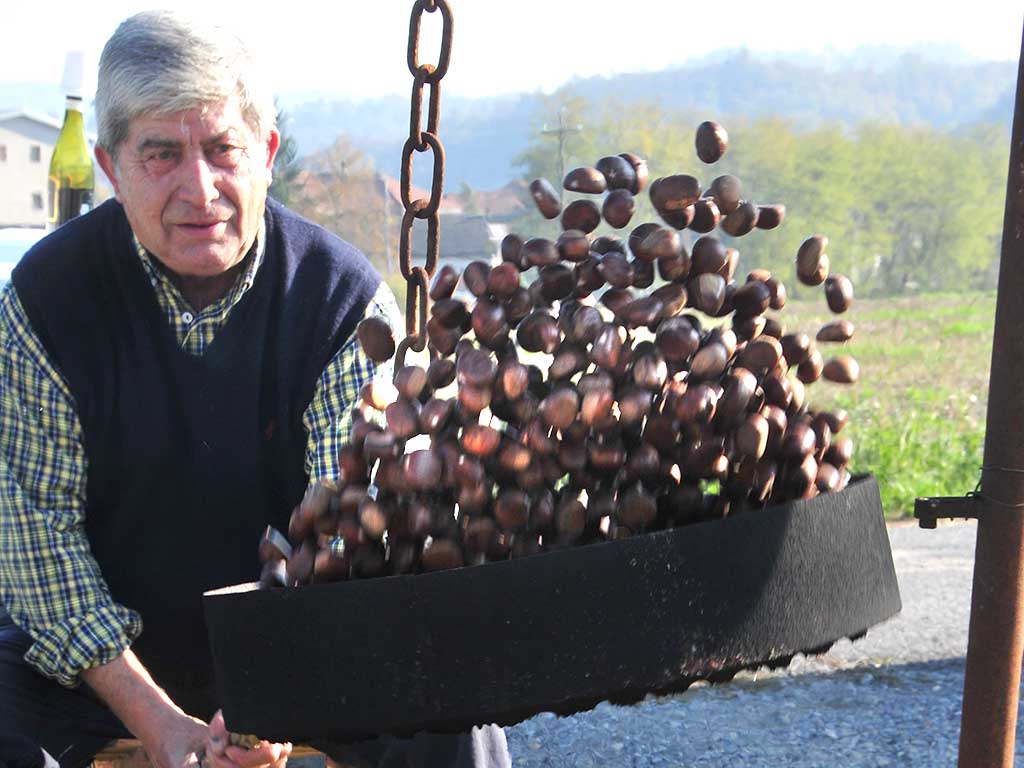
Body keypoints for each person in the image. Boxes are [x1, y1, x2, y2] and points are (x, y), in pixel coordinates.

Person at [0, 11, 510, 768]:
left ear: (265, 152)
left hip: (306, 651)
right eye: (163, 155)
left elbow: (352, 533)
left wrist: (273, 703)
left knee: (453, 714)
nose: (198, 189)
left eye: (221, 149)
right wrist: (159, 725)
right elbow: (38, 540)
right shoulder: (44, 303)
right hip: (98, 675)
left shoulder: (344, 304)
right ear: (112, 168)